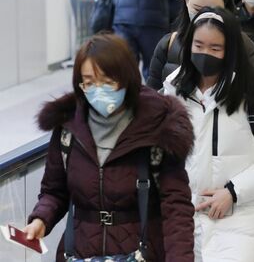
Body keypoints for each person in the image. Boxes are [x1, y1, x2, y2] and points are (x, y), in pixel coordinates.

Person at [23, 34, 195, 261]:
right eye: (89, 82)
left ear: (126, 78)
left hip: (141, 253)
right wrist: (40, 219)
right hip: (80, 253)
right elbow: (54, 191)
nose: (98, 90)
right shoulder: (68, 128)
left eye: (107, 81)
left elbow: (176, 207)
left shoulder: (157, 127)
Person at [162, 7, 254, 262]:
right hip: (185, 218)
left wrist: (233, 192)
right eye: (199, 45)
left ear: (231, 50)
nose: (205, 54)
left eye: (215, 49)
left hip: (243, 217)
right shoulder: (172, 91)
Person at [146, 0, 254, 91]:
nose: (204, 16)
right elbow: (151, 99)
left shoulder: (244, 47)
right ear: (186, 1)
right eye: (197, 9)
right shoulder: (168, 44)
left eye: (213, 10)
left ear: (225, 7)